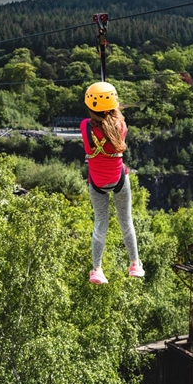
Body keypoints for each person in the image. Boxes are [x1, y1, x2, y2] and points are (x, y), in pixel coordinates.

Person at [81, 81, 144, 284]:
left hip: (97, 183)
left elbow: (95, 122)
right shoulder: (121, 126)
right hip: (118, 180)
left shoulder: (84, 126)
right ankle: (134, 263)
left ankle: (97, 269)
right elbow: (117, 118)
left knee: (101, 223)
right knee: (126, 220)